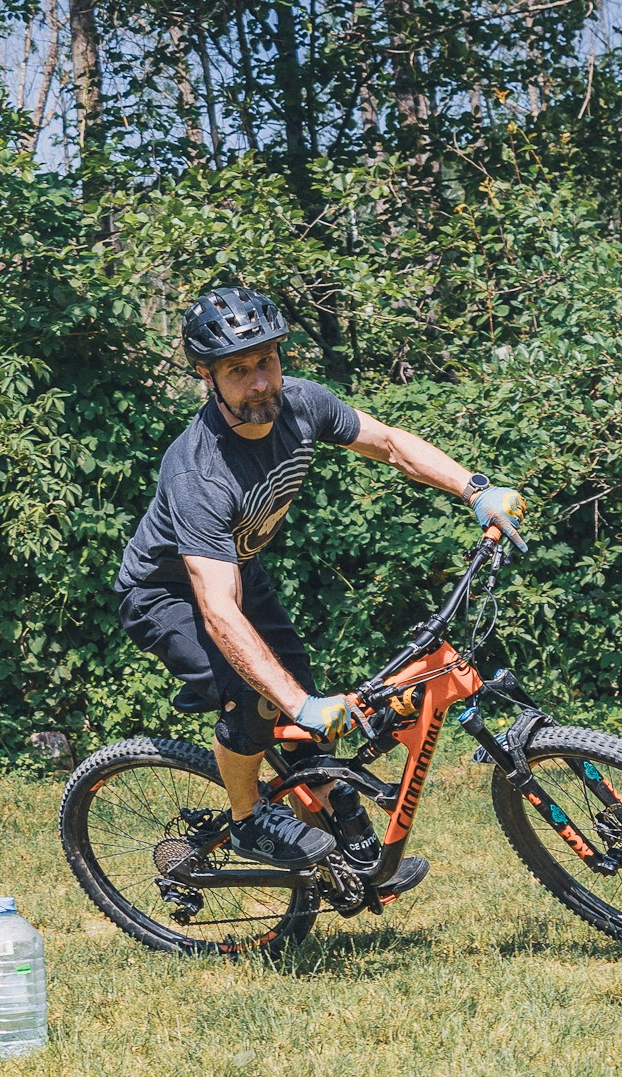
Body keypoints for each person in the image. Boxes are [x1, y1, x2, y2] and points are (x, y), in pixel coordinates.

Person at [115, 285, 521, 881]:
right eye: (237, 370)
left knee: (303, 705)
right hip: (166, 592)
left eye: (266, 362)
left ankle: (344, 841)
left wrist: (474, 489)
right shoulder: (198, 469)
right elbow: (218, 612)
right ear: (207, 376)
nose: (259, 383)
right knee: (258, 697)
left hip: (240, 571)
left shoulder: (301, 405)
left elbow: (388, 444)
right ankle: (248, 814)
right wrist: (296, 704)